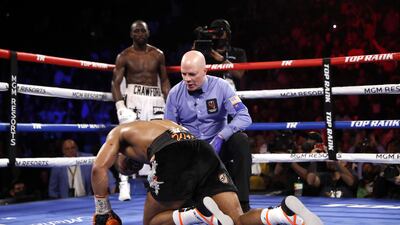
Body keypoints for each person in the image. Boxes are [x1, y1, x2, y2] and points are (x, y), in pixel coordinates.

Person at [91, 120, 323, 225]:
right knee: (237, 220)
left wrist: (104, 211)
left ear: (121, 153)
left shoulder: (119, 133)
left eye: (126, 164)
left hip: (172, 151)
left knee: (152, 222)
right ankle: (283, 214)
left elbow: (97, 168)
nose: (129, 168)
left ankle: (199, 214)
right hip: (202, 148)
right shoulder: (160, 124)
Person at [164, 50, 252, 211]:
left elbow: (244, 116)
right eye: (183, 74)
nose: (187, 79)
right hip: (191, 151)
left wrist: (221, 136)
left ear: (205, 71)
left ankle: (243, 203)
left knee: (241, 140)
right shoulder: (175, 93)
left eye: (192, 74)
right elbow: (168, 128)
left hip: (218, 147)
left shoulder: (222, 87)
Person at [111, 20, 171, 201]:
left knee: (159, 140)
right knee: (127, 141)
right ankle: (124, 183)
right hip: (134, 98)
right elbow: (115, 83)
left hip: (155, 99)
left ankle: (156, 180)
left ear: (148, 33)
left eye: (142, 31)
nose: (139, 34)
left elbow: (165, 80)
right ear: (131, 34)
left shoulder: (158, 54)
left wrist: (169, 101)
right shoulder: (124, 56)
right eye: (136, 31)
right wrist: (120, 106)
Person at [48, 139, 116, 198]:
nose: (70, 151)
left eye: (72, 148)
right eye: (67, 149)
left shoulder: (86, 159)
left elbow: (104, 171)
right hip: (66, 201)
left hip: (86, 198)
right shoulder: (58, 164)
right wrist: (59, 201)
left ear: (77, 148)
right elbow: (52, 190)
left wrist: (112, 187)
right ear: (63, 151)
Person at [202, 19, 247, 90]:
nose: (217, 36)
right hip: (211, 94)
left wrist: (222, 60)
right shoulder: (205, 54)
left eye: (220, 33)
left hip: (234, 94)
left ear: (228, 34)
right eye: (214, 33)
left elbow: (239, 74)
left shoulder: (239, 52)